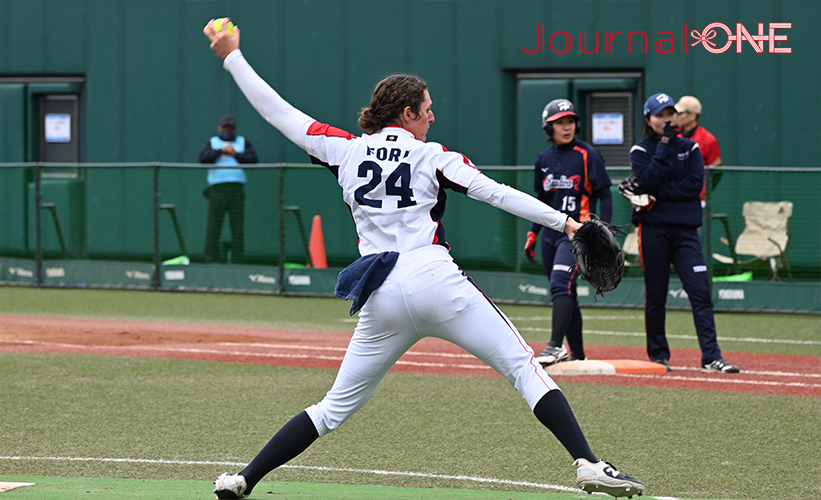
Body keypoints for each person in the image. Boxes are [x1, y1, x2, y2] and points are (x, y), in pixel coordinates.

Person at [203, 18, 643, 500]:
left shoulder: (344, 150)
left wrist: (232, 56)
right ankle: (588, 463)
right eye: (427, 109)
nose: (432, 116)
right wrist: (570, 224)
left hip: (380, 293)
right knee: (523, 367)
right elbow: (496, 193)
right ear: (408, 112)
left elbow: (277, 111)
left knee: (332, 408)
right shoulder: (433, 154)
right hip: (434, 279)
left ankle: (243, 479)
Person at [626, 92, 739, 375]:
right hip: (653, 231)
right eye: (660, 115)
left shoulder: (691, 148)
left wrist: (657, 194)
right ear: (648, 119)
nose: (667, 119)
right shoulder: (640, 151)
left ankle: (711, 356)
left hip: (686, 232)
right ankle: (659, 356)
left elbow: (693, 187)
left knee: (700, 291)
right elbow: (648, 179)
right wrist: (664, 145)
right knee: (656, 295)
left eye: (670, 113)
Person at [524, 99, 612, 366]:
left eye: (570, 121)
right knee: (567, 292)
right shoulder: (544, 159)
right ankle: (579, 354)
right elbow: (541, 202)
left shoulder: (587, 155)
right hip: (550, 235)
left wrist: (603, 232)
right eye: (559, 123)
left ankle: (554, 347)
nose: (566, 127)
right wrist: (533, 233)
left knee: (559, 285)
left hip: (577, 234)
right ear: (548, 127)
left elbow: (604, 195)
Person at [199, 114, 258, 263]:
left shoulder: (242, 143)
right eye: (225, 128)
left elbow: (252, 160)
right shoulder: (212, 143)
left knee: (237, 226)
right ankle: (211, 258)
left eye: (230, 128)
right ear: (219, 128)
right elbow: (203, 158)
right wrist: (221, 151)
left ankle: (238, 258)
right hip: (217, 190)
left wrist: (235, 154)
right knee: (214, 226)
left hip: (236, 190)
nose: (227, 131)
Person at [675, 95, 722, 246]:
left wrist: (702, 191)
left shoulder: (708, 139)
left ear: (692, 115)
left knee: (696, 243)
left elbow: (716, 169)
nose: (677, 116)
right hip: (674, 200)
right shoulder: (673, 136)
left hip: (697, 203)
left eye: (680, 113)